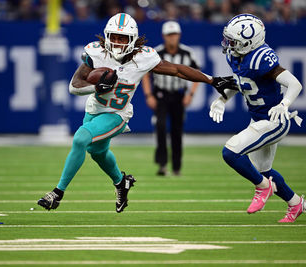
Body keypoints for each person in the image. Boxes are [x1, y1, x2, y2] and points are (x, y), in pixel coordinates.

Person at [37, 13, 236, 213]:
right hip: (94, 109)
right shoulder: (96, 53)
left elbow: (177, 70)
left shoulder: (143, 58)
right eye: (113, 36)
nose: (117, 42)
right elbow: (75, 86)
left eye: (122, 38)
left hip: (117, 114)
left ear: (132, 40)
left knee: (81, 138)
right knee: (97, 153)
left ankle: (57, 193)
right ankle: (121, 182)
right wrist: (97, 86)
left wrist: (212, 80)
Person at [209, 13, 306, 222]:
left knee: (231, 152)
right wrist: (222, 100)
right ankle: (296, 203)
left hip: (275, 119)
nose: (228, 44)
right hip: (258, 119)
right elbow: (242, 82)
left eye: (234, 41)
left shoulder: (262, 57)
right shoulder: (236, 56)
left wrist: (284, 104)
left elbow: (295, 84)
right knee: (264, 169)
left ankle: (263, 188)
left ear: (249, 42)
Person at [142, 21, 200, 176]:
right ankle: (162, 165)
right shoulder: (156, 53)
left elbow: (197, 74)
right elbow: (145, 75)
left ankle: (176, 167)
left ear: (179, 35)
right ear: (164, 36)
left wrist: (190, 94)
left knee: (177, 131)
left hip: (179, 95)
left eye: (174, 34)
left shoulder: (187, 53)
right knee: (160, 127)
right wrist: (148, 95)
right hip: (161, 95)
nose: (172, 38)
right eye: (169, 35)